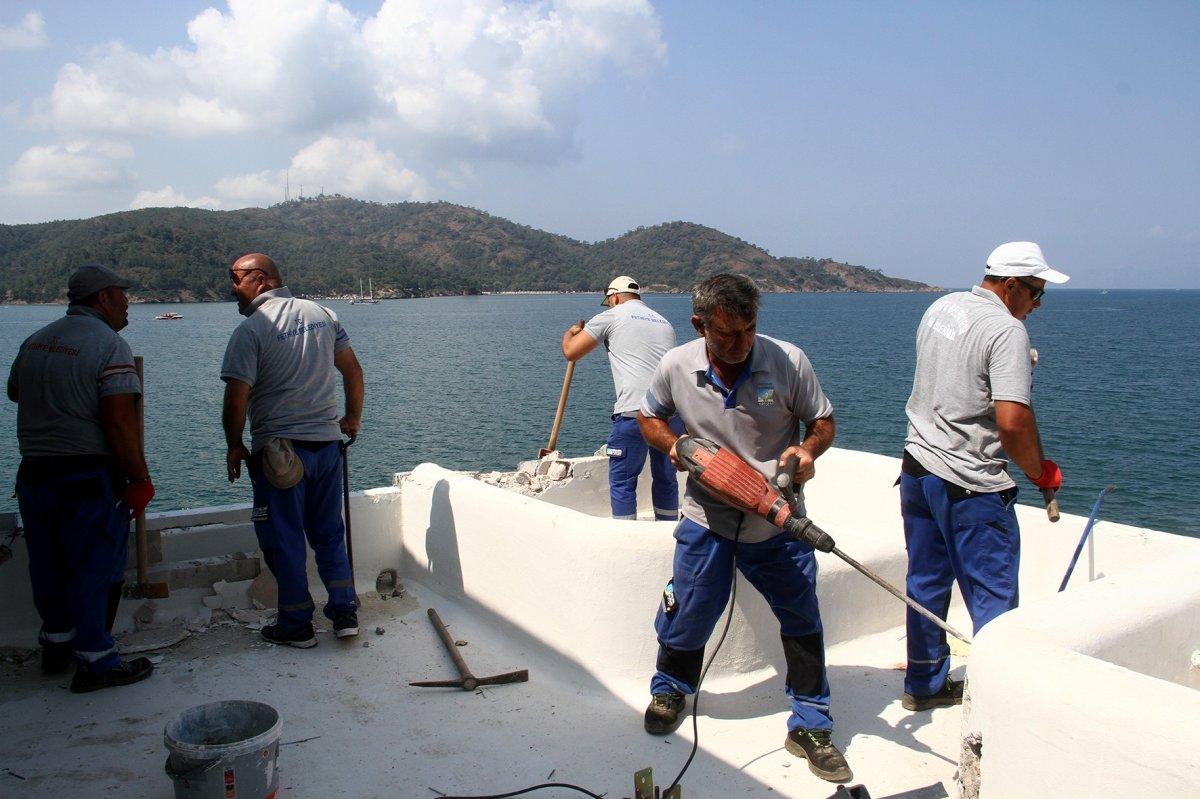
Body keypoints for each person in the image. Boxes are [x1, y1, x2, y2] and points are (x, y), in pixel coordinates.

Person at [636, 273, 851, 783]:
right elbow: (649, 417)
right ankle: (671, 688)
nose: (742, 343)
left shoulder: (788, 361)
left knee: (801, 618)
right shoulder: (676, 366)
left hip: (779, 522)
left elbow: (823, 422)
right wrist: (674, 445)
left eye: (750, 329)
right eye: (728, 333)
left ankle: (811, 723)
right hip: (705, 519)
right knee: (689, 608)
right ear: (700, 325)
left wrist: (807, 451)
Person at [899, 241, 1068, 712]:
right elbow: (1012, 422)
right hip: (970, 485)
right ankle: (996, 712)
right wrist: (1041, 472)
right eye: (1036, 293)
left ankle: (924, 683)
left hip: (918, 470)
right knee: (994, 601)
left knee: (925, 583)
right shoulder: (1006, 330)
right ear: (1011, 285)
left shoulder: (943, 307)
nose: (1037, 305)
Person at [8, 264, 156, 692]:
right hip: (87, 476)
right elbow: (119, 422)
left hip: (35, 474)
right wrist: (139, 479)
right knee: (95, 568)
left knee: (48, 564)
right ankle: (96, 662)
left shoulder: (37, 340)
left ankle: (56, 645)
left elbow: (15, 391)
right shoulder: (109, 345)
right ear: (103, 298)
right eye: (122, 295)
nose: (127, 303)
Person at [221, 253, 365, 648]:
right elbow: (352, 370)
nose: (232, 288)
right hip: (327, 448)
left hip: (280, 453)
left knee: (282, 539)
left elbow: (236, 397)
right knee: (329, 533)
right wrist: (352, 419)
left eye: (235, 278)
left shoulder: (251, 330)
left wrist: (234, 444)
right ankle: (345, 612)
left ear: (260, 279)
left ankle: (297, 625)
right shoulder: (323, 314)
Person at [561, 275, 680, 521]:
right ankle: (667, 531)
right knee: (666, 478)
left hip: (635, 412)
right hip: (672, 413)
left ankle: (627, 534)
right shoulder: (664, 322)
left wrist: (570, 333)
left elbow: (571, 352)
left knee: (623, 480)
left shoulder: (612, 316)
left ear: (614, 297)